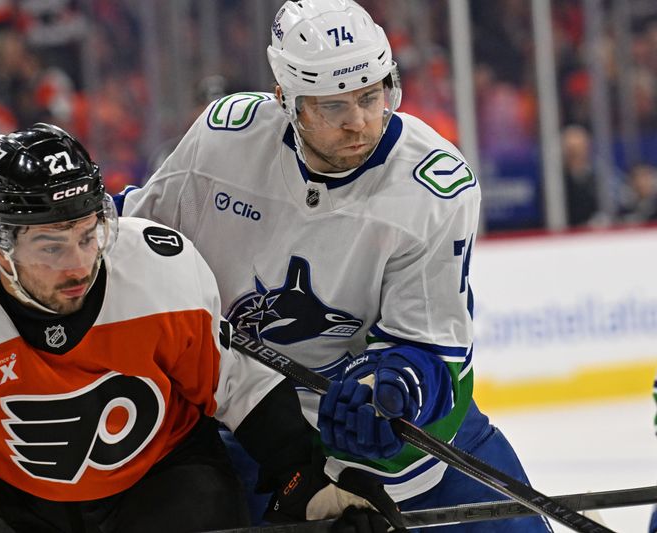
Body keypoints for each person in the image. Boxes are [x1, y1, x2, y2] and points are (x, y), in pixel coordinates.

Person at [118, 1, 552, 531]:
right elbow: (136, 244)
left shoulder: (432, 186)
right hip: (254, 437)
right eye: (333, 107)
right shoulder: (223, 141)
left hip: (406, 454)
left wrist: (391, 388)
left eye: (372, 97)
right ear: (286, 100)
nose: (360, 124)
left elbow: (432, 348)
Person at [0, 123, 400, 533]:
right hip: (8, 485)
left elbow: (238, 384)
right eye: (50, 245)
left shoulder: (158, 270)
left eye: (88, 234)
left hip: (164, 477)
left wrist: (304, 479)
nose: (78, 265)